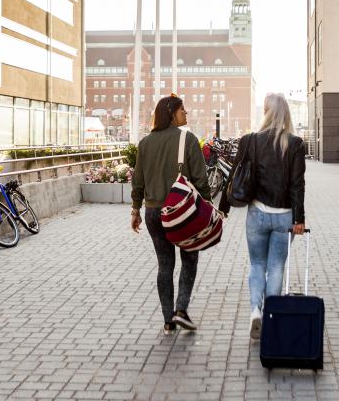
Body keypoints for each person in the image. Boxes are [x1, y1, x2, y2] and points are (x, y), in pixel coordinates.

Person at [225, 93, 306, 339]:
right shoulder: (295, 143)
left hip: (257, 213)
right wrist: (299, 219)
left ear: (266, 112)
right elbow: (297, 184)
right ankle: (271, 315)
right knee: (276, 266)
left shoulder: (251, 140)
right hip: (284, 217)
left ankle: (254, 312)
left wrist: (223, 209)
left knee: (257, 265)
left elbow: (234, 175)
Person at [130, 94, 212, 334]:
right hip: (183, 212)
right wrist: (207, 206)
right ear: (171, 113)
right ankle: (181, 310)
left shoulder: (145, 143)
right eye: (182, 110)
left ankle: (168, 320)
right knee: (190, 260)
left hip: (154, 212)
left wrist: (136, 209)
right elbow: (201, 179)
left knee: (164, 266)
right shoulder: (188, 139)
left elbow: (138, 181)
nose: (186, 113)